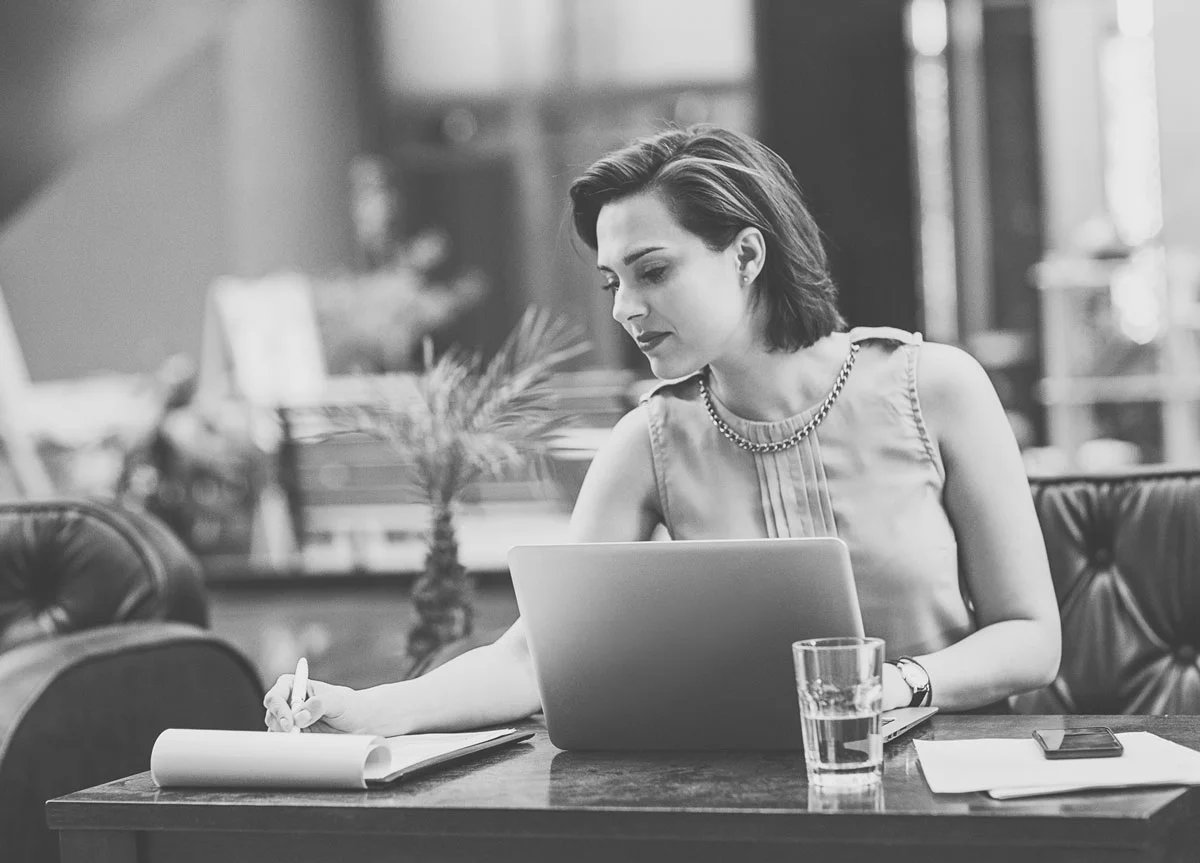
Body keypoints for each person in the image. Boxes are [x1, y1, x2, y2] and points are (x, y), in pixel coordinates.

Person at [263, 125, 1061, 736]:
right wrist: (370, 712)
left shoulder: (936, 387)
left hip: (955, 782)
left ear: (747, 254)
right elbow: (536, 656)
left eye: (654, 271)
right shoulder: (647, 442)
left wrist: (902, 687)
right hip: (758, 809)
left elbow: (1031, 637)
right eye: (613, 281)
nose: (624, 308)